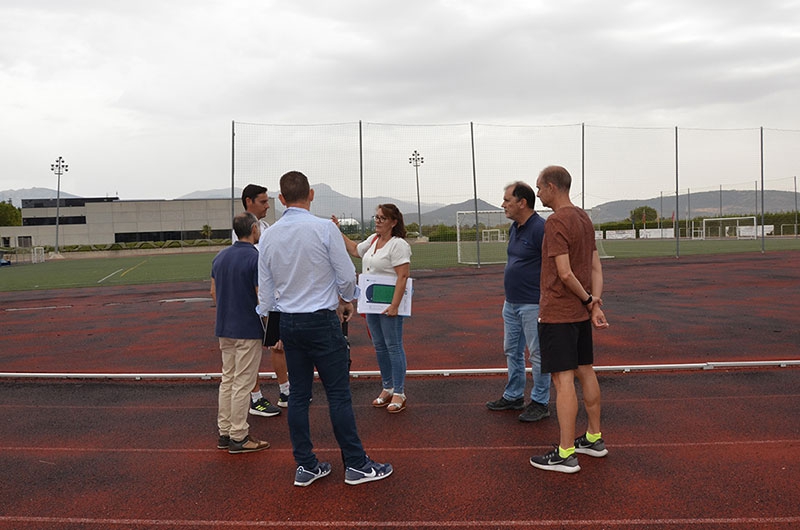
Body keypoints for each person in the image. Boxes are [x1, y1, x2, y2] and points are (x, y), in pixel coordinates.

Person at [257, 170, 392, 487]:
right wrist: (346, 299)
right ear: (312, 194)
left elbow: (265, 293)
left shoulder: (269, 236)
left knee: (299, 396)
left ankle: (306, 465)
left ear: (281, 199)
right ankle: (356, 465)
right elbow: (346, 275)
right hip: (320, 320)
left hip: (289, 322)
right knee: (338, 396)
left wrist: (274, 318)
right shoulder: (323, 229)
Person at [529, 165, 610, 474]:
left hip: (558, 312)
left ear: (552, 186)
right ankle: (593, 438)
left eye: (539, 187)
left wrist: (589, 301)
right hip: (578, 312)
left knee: (563, 379)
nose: (537, 193)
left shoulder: (556, 222)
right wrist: (593, 304)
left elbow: (564, 273)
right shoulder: (584, 218)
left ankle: (565, 454)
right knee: (585, 371)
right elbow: (595, 268)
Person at [334, 204, 412, 413]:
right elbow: (354, 250)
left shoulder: (398, 245)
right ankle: (387, 387)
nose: (377, 221)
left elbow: (402, 275)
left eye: (382, 218)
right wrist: (337, 230)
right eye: (376, 217)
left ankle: (400, 392)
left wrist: (394, 305)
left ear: (393, 222)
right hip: (372, 303)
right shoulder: (373, 240)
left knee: (393, 345)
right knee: (379, 345)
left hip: (389, 303)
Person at [486, 182, 551, 422]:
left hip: (533, 304)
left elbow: (552, 266)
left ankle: (540, 401)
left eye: (507, 200)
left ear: (522, 202)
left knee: (537, 354)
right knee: (512, 351)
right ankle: (513, 396)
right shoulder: (515, 228)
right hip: (511, 303)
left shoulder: (540, 229)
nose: (503, 204)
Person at [211, 212, 271, 454]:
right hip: (247, 328)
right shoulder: (255, 258)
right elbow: (262, 297)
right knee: (243, 382)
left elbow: (213, 292)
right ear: (254, 229)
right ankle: (239, 435)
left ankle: (224, 431)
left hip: (225, 327)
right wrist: (269, 324)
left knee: (228, 379)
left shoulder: (220, 257)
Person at [239, 184, 286, 417]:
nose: (268, 205)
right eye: (263, 201)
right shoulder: (242, 229)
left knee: (278, 343)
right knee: (252, 349)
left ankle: (285, 391)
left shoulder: (265, 226)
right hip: (253, 298)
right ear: (249, 201)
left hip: (271, 294)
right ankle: (255, 398)